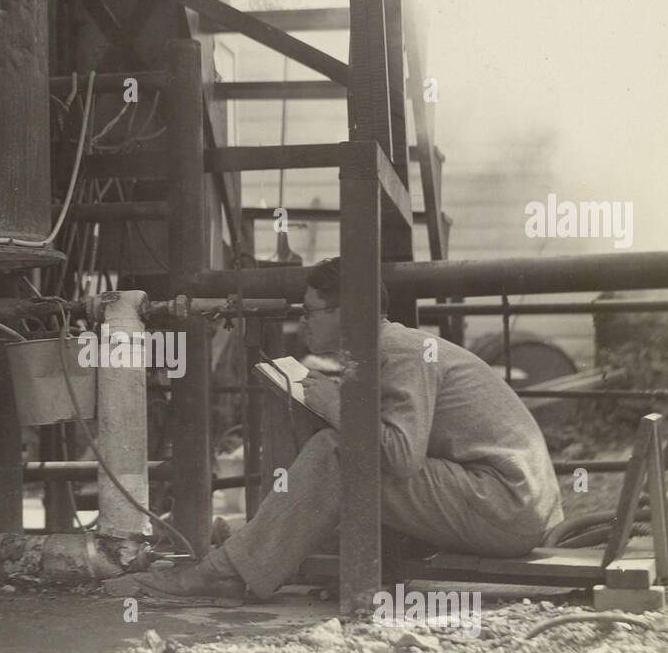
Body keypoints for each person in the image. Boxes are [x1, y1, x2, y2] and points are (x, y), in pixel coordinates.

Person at [106, 258, 564, 603]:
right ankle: (265, 553)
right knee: (337, 448)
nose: (302, 321)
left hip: (505, 505)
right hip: (498, 498)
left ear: (349, 312)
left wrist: (335, 404)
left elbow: (400, 456)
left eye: (311, 311)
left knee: (336, 451)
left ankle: (219, 572)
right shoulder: (382, 349)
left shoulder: (400, 350)